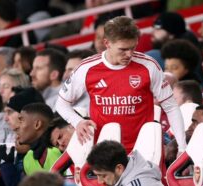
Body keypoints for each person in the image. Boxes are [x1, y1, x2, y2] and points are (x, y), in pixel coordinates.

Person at [56, 16, 186, 153]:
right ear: (107, 43)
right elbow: (61, 104)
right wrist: (77, 121)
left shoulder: (149, 66)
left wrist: (183, 148)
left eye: (133, 47)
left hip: (145, 150)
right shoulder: (86, 68)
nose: (129, 54)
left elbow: (171, 107)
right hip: (105, 153)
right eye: (123, 49)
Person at [16, 103, 62, 176]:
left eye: (21, 121)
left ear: (37, 124)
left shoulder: (56, 151)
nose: (17, 127)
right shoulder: (27, 158)